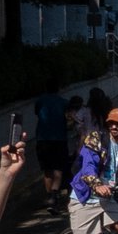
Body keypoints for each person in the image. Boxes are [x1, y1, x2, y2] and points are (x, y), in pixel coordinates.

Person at [34, 78, 70, 214]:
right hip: (59, 139)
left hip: (42, 139)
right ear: (58, 88)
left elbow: (37, 113)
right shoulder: (63, 103)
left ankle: (49, 197)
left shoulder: (40, 101)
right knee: (58, 170)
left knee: (47, 170)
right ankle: (54, 196)